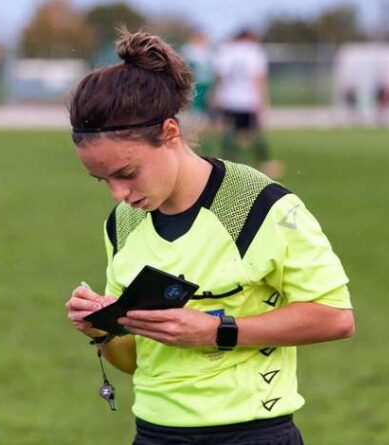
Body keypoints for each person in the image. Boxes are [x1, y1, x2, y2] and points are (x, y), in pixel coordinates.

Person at [65, 29, 354, 445]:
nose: (118, 194)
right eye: (103, 180)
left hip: (253, 435)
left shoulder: (258, 205)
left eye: (127, 173)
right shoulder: (122, 224)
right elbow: (134, 362)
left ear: (170, 132)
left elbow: (335, 316)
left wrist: (218, 331)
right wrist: (102, 330)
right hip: (153, 435)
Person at [214, 29, 282, 177]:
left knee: (229, 131)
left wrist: (217, 94)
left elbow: (221, 76)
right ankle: (265, 162)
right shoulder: (255, 51)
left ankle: (225, 163)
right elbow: (258, 78)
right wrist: (263, 100)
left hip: (229, 98)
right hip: (248, 99)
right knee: (255, 132)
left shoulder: (227, 50)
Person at [181, 30, 217, 156]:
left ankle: (200, 141)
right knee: (193, 113)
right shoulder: (189, 51)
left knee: (203, 114)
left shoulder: (207, 52)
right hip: (195, 86)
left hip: (205, 86)